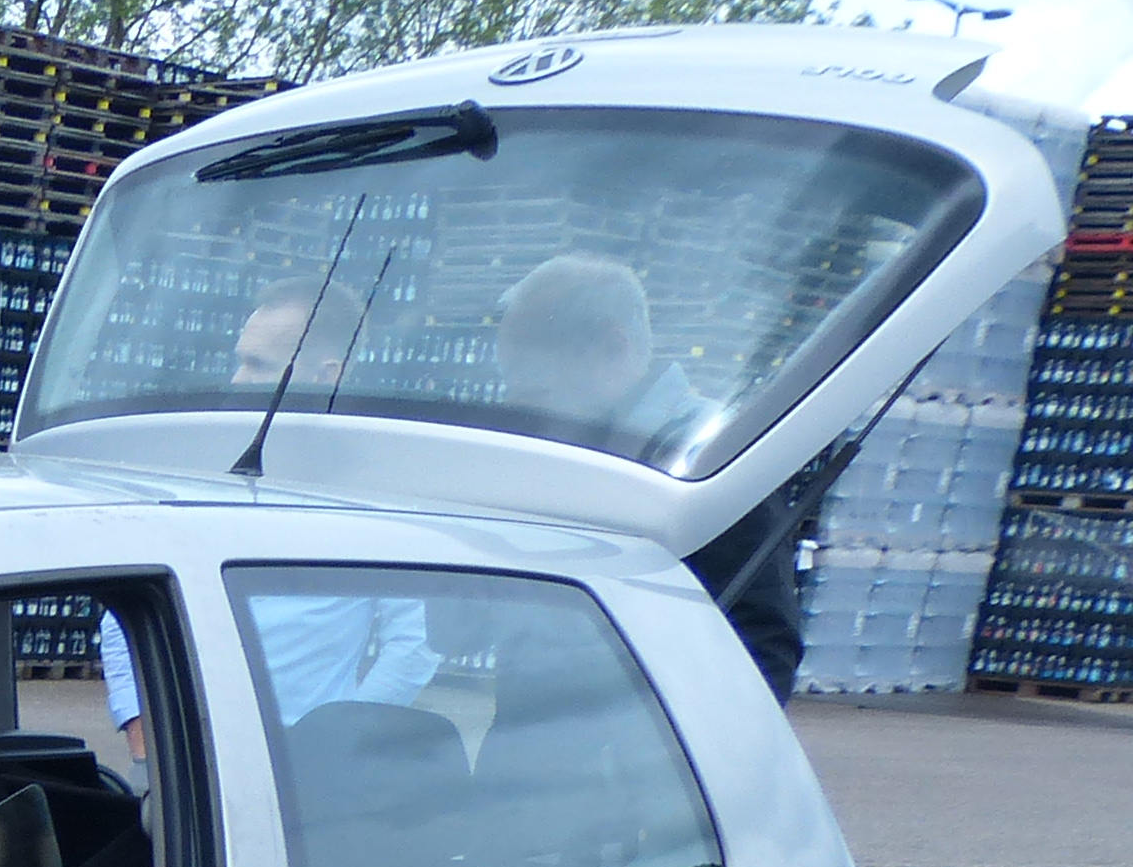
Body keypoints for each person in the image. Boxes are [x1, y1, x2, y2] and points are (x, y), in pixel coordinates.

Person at [100, 279, 430, 764]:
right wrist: (139, 716)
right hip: (189, 758)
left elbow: (413, 644)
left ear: (327, 374)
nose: (235, 379)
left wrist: (340, 737)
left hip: (308, 767)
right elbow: (126, 598)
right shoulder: (198, 471)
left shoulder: (375, 501)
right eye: (239, 358)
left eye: (255, 365)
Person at [496, 252, 806, 701]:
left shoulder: (707, 465)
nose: (517, 409)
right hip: (538, 734)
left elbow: (763, 649)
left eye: (536, 392)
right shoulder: (574, 445)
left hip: (635, 756)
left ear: (615, 348)